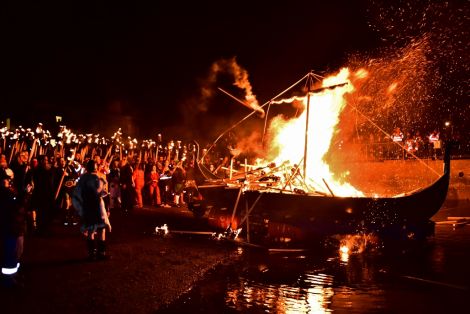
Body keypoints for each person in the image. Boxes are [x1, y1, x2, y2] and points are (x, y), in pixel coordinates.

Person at [73, 160, 112, 261]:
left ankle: (92, 254)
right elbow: (97, 192)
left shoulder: (82, 179)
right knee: (101, 229)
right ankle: (100, 253)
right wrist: (102, 185)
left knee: (91, 230)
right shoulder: (94, 179)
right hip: (95, 206)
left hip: (87, 206)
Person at [0, 168, 26, 288]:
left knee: (15, 253)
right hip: (9, 227)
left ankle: (13, 275)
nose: (9, 181)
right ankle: (8, 280)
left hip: (14, 226)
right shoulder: (4, 194)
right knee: (10, 253)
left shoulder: (8, 192)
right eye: (6, 179)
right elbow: (14, 208)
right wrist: (23, 196)